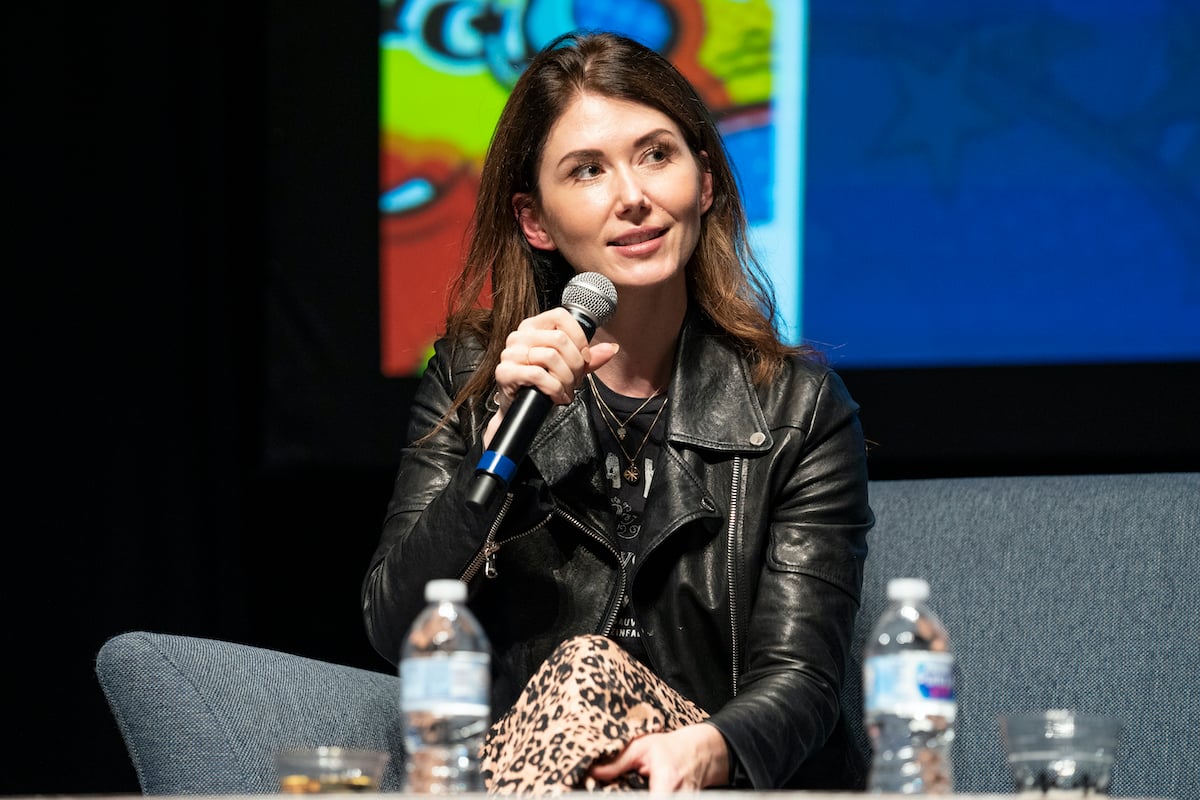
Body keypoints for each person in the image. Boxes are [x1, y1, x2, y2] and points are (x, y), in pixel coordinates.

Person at [362, 30, 874, 792]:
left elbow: (801, 681)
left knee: (586, 670)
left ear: (703, 181)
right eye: (588, 171)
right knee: (576, 673)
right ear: (536, 221)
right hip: (525, 770)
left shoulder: (798, 410)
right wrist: (502, 448)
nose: (632, 195)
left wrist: (703, 748)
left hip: (703, 780)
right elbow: (395, 626)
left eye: (657, 155)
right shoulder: (476, 382)